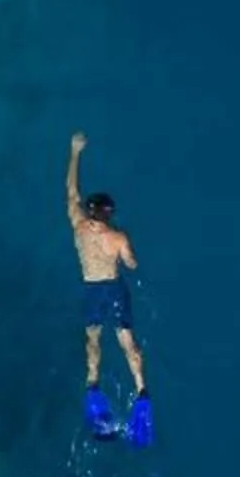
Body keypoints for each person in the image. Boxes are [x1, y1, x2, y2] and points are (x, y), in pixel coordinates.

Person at [65, 131, 148, 406]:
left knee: (93, 339)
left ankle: (92, 385)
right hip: (114, 289)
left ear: (90, 212)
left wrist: (75, 153)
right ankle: (141, 390)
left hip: (91, 290)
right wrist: (131, 253)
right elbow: (132, 264)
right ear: (108, 214)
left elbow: (71, 191)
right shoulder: (118, 237)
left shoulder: (78, 226)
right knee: (127, 341)